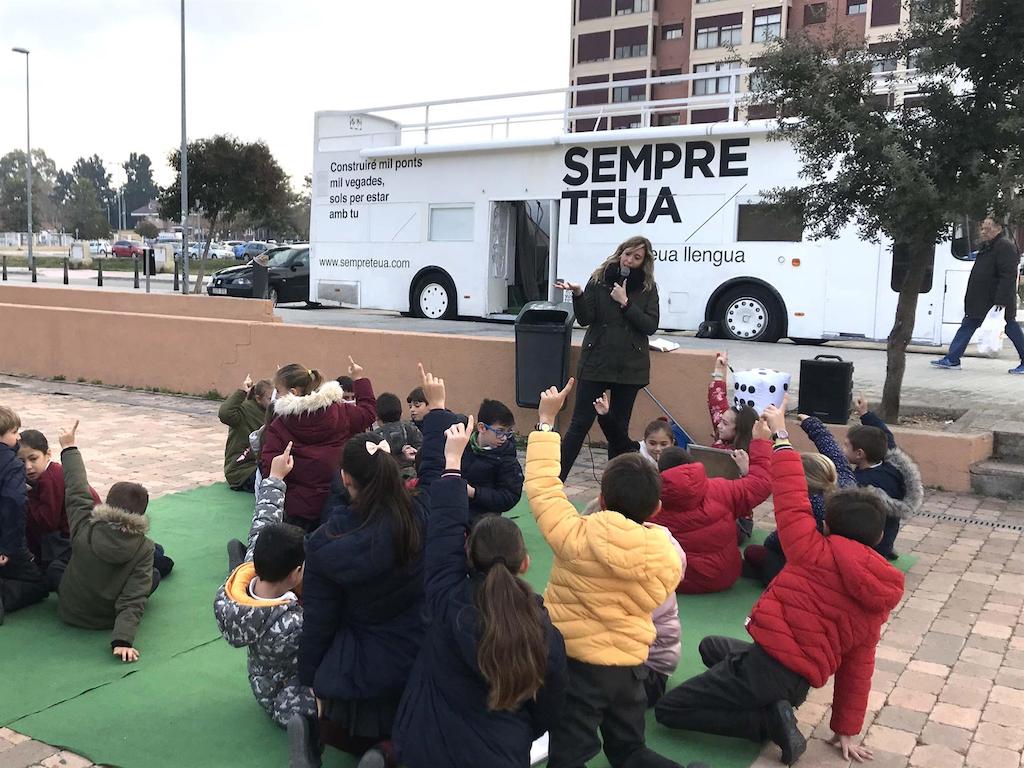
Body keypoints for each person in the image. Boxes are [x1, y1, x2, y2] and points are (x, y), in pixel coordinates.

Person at [655, 405, 906, 766]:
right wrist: (846, 727)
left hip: (763, 670)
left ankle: (763, 722)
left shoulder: (810, 549)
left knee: (669, 709)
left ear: (828, 527)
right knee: (711, 646)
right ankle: (774, 706)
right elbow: (859, 664)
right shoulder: (878, 596)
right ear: (879, 535)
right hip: (796, 683)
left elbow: (791, 497)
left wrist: (781, 438)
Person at [525, 378, 688, 768]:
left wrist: (547, 422)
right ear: (656, 511)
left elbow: (544, 488)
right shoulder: (667, 555)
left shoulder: (574, 535)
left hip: (577, 670)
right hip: (631, 670)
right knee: (629, 750)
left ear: (599, 500)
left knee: (568, 756)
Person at [293, 364, 448, 768]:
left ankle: (316, 730)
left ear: (345, 480)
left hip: (356, 661)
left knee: (346, 710)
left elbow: (319, 621)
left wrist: (310, 682)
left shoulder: (325, 544)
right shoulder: (420, 517)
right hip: (416, 647)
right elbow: (434, 477)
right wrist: (438, 411)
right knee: (426, 718)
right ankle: (387, 753)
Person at [392, 417, 568, 768]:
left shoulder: (445, 594)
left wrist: (453, 463)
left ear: (467, 554)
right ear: (525, 563)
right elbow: (549, 710)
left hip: (421, 745)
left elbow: (444, 526)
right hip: (501, 752)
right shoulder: (545, 632)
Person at [214, 442, 316, 734]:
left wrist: (275, 478)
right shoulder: (292, 623)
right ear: (297, 572)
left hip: (261, 680)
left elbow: (264, 520)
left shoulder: (248, 576)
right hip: (283, 696)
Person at [554, 236, 661, 480]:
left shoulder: (647, 287)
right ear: (619, 253)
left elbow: (650, 325)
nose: (630, 260)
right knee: (579, 424)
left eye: (637, 257)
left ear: (644, 261)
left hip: (630, 366)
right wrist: (579, 294)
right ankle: (555, 481)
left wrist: (625, 303)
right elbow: (585, 318)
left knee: (618, 429)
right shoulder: (599, 279)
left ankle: (615, 487)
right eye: (627, 254)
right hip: (597, 362)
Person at [52, 420, 159, 662]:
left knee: (55, 567)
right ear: (140, 515)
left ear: (107, 503)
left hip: (69, 610)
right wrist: (123, 640)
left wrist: (69, 447)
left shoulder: (86, 523)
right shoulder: (144, 548)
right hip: (104, 619)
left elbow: (76, 489)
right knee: (154, 576)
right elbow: (133, 597)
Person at [654, 423, 772, 594]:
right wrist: (761, 442)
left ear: (660, 470)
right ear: (691, 463)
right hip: (723, 577)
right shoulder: (722, 489)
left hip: (671, 580)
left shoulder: (648, 498)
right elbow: (761, 484)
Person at [259, 359, 376, 532]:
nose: (276, 395)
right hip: (339, 501)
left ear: (293, 392)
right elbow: (368, 413)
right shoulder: (341, 411)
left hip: (298, 510)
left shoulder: (280, 425)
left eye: (278, 391)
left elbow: (270, 466)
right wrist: (359, 379)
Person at [744, 413, 856, 587]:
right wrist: (813, 425)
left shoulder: (809, 504)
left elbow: (786, 537)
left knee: (755, 554)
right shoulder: (846, 482)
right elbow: (834, 453)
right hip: (840, 554)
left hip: (811, 560)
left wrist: (769, 544)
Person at [932, 216, 1024, 373]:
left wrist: (1001, 301)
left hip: (996, 301)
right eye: (983, 228)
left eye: (988, 229)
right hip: (981, 299)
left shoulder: (1004, 247)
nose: (984, 232)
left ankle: (953, 358)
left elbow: (1008, 276)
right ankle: (952, 358)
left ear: (999, 229)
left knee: (1010, 327)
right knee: (968, 324)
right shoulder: (987, 246)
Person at [843, 398, 923, 561]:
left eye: (846, 446)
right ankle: (886, 548)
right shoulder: (890, 465)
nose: (842, 448)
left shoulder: (862, 482)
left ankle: (879, 553)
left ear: (859, 454)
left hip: (874, 544)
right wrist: (865, 414)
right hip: (887, 536)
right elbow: (885, 434)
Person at [18, 429, 101, 571]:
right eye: (21, 461)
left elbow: (47, 522)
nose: (28, 467)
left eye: (33, 459)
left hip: (82, 536)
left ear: (48, 454)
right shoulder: (46, 475)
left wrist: (28, 496)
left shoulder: (51, 478)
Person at [0, 407, 48, 623]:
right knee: (38, 583)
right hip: (6, 541)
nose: (18, 436)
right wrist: (9, 548)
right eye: (14, 432)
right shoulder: (11, 465)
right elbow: (14, 504)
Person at [462, 399, 524, 524]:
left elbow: (510, 496)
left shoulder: (507, 458)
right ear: (482, 427)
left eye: (508, 432)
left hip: (484, 519)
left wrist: (474, 493)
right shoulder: (463, 446)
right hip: (456, 509)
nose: (504, 438)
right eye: (500, 432)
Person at [218, 374, 274, 493]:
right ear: (258, 398)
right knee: (272, 483)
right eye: (270, 398)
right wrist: (242, 392)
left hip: (263, 465)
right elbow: (225, 414)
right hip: (242, 470)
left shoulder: (273, 412)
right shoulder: (244, 410)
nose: (274, 401)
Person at [593, 391, 675, 466]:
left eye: (663, 444)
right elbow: (617, 438)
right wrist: (605, 415)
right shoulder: (636, 451)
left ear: (672, 443)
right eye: (652, 443)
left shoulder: (677, 461)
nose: (657, 449)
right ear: (645, 440)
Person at [707, 352, 758, 452]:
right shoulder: (723, 436)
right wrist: (719, 370)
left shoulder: (745, 455)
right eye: (721, 420)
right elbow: (717, 403)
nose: (718, 425)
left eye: (725, 423)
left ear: (740, 429)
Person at [372, 393, 422, 477]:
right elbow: (421, 449)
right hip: (412, 477)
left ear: (377, 416)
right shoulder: (410, 428)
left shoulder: (375, 437)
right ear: (400, 414)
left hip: (386, 478)